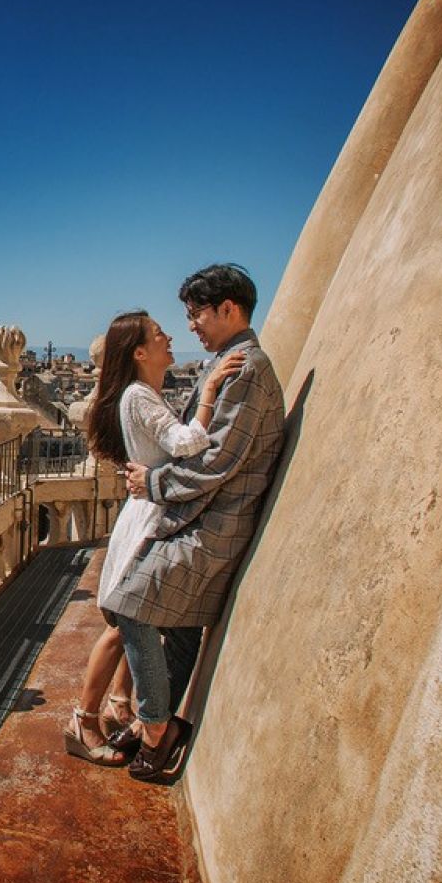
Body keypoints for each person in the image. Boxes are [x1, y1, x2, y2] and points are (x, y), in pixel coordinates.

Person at [105, 263, 286, 781]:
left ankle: (157, 726)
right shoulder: (229, 363)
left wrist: (153, 485)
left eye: (197, 314)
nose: (190, 327)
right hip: (202, 517)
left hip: (215, 522)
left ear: (229, 310)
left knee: (129, 606)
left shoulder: (247, 368)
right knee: (178, 630)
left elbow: (217, 460)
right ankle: (153, 731)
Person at [65, 310, 245, 766]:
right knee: (125, 619)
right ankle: (86, 721)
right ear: (140, 352)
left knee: (129, 620)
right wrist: (208, 392)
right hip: (150, 517)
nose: (171, 337)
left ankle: (113, 707)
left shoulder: (144, 394)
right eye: (159, 334)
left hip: (152, 513)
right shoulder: (139, 396)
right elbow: (187, 442)